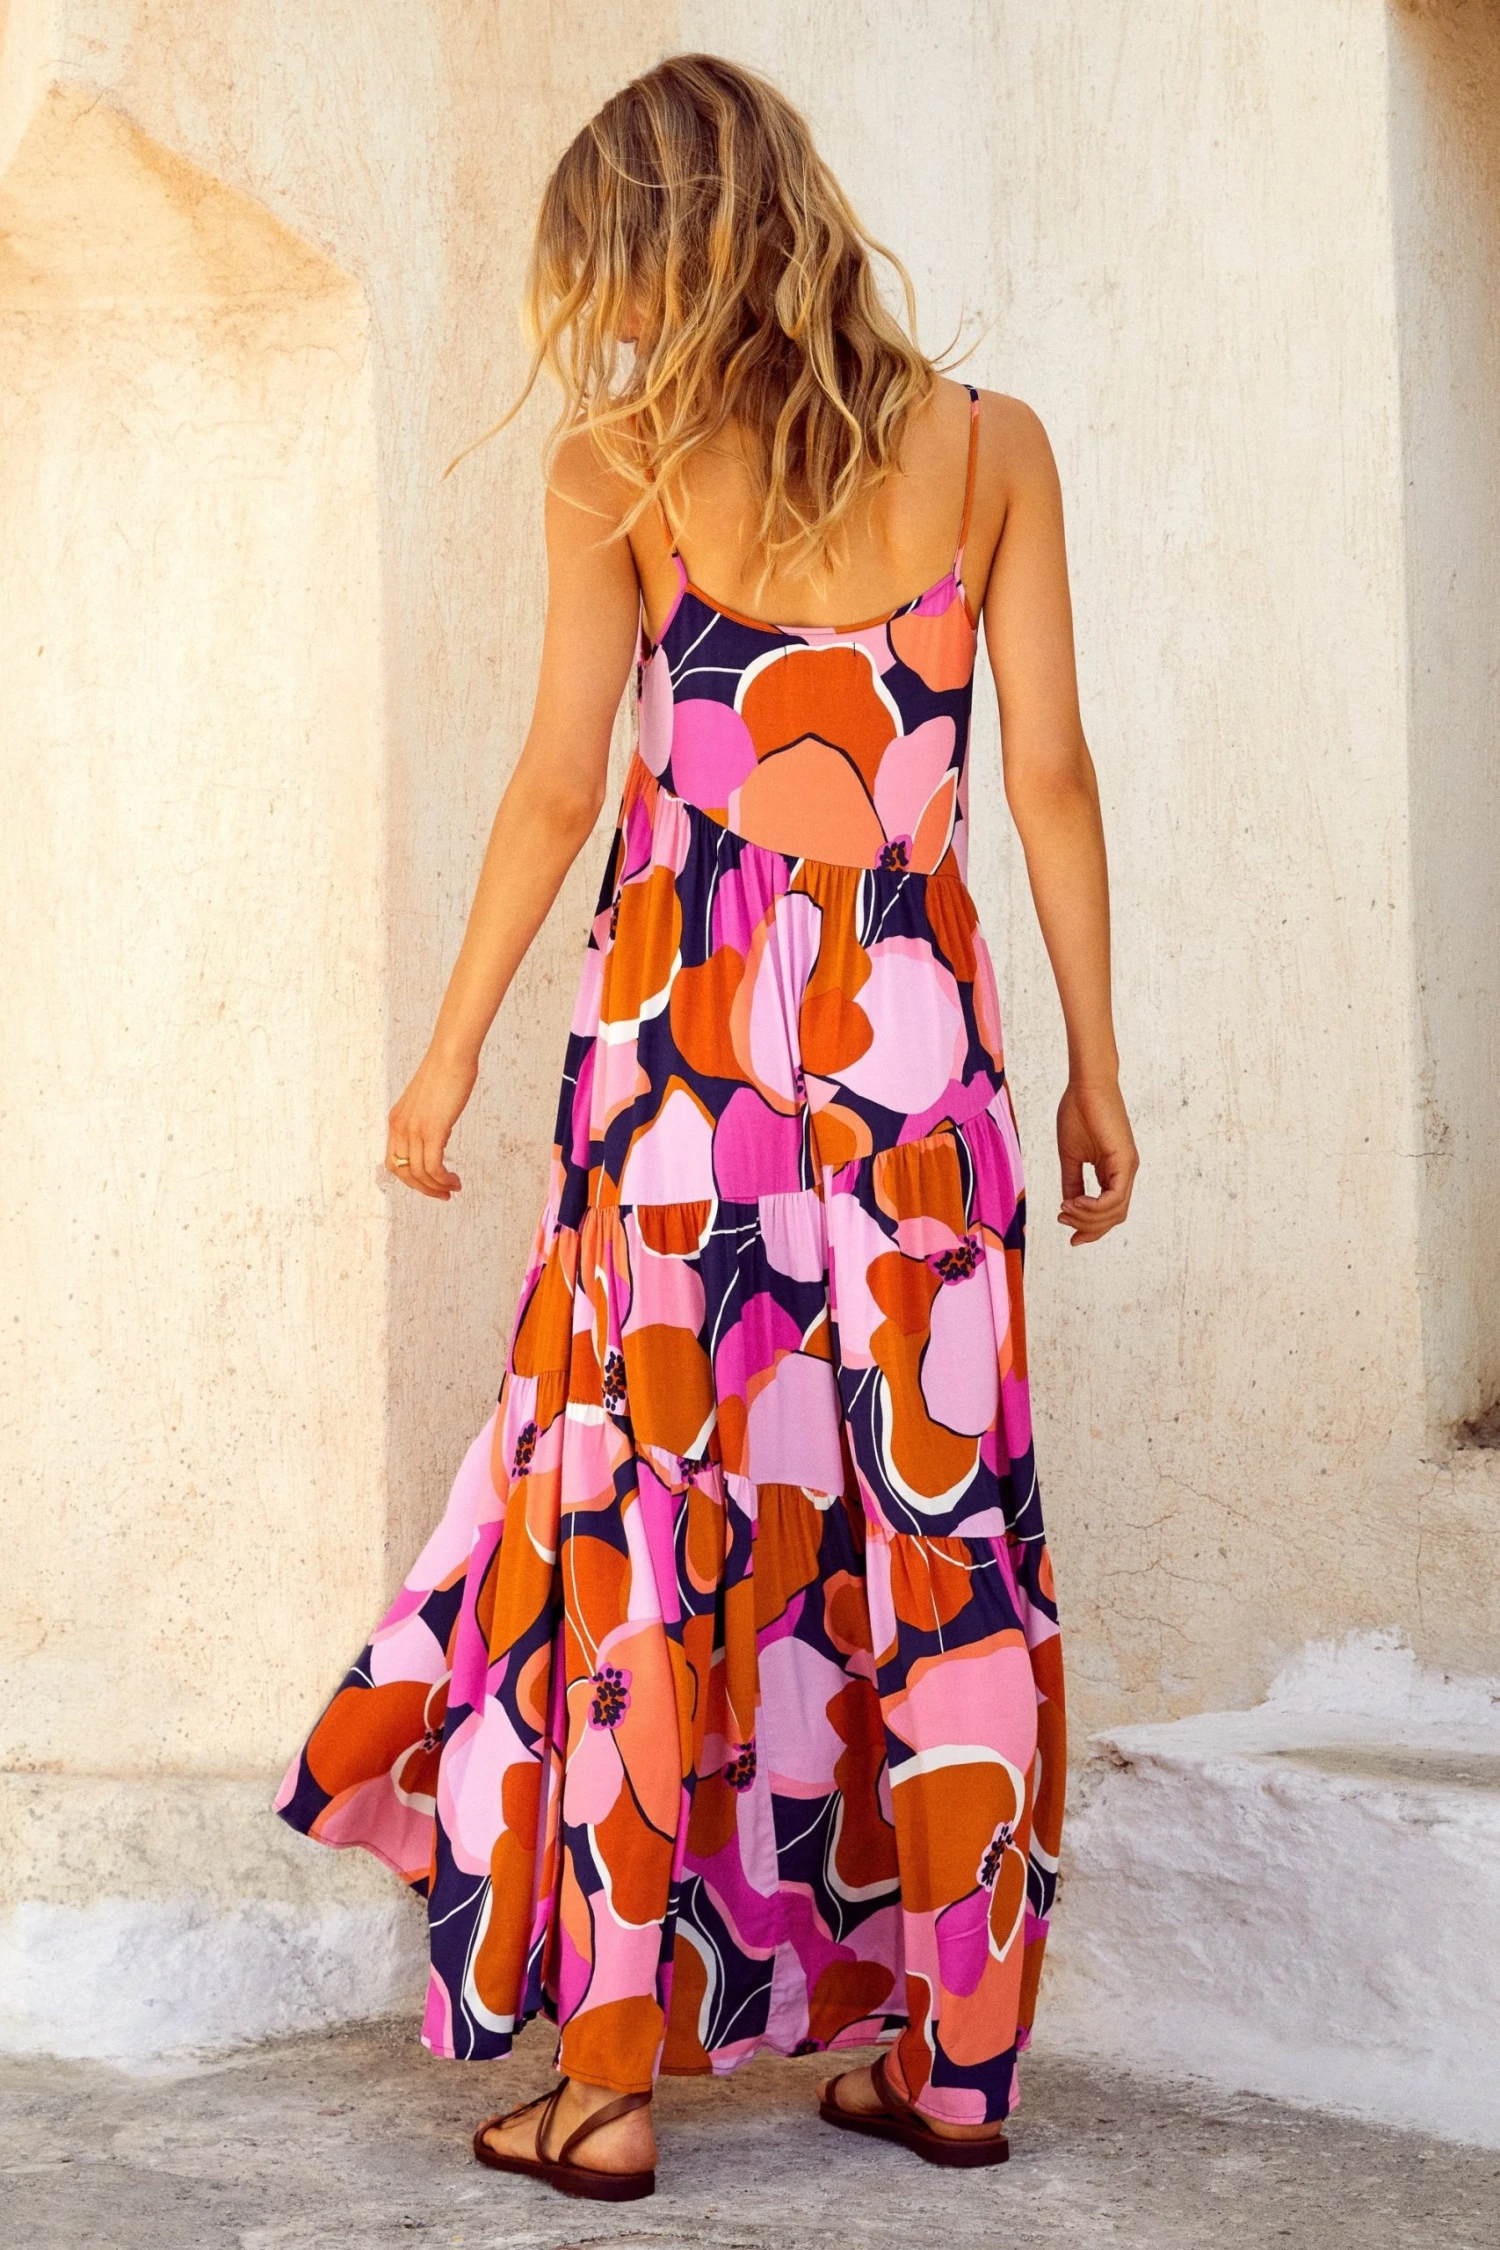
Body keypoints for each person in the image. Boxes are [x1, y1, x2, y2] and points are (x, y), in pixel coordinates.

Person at [276, 51, 1137, 2206]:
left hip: (683, 1101)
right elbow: (1048, 776)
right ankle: (956, 2070)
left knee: (651, 1551)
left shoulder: (620, 470)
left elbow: (558, 785)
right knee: (935, 1545)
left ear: (655, 257)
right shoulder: (993, 450)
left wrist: (445, 1056)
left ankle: (610, 2089)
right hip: (920, 1088)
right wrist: (1096, 1067)